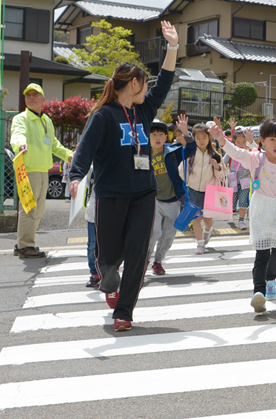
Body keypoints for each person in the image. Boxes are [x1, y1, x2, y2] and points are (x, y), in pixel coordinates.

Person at [68, 20, 179, 332]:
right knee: (109, 253)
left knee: (138, 252)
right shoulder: (103, 115)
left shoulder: (143, 112)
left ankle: (124, 312)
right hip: (110, 193)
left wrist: (173, 47)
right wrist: (76, 176)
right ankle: (108, 278)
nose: (148, 87)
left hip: (144, 193)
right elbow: (85, 150)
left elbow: (166, 81)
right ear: (133, 83)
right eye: (144, 82)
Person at [211, 118, 276, 313]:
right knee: (262, 253)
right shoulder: (256, 158)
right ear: (262, 140)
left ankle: (271, 279)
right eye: (272, 139)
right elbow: (235, 152)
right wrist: (220, 138)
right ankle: (259, 292)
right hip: (262, 209)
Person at [10, 83, 74, 258]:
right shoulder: (22, 118)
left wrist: (68, 155)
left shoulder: (46, 120)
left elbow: (53, 144)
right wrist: (20, 144)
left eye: (35, 94)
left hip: (43, 171)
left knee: (38, 211)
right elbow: (17, 134)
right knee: (29, 209)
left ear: (43, 98)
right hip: (28, 169)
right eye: (28, 95)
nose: (31, 97)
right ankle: (25, 246)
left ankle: (24, 244)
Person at [148, 115, 196, 275]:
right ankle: (144, 259)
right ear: (148, 136)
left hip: (173, 200)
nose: (157, 137)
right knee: (154, 232)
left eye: (161, 134)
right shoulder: (142, 154)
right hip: (152, 200)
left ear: (166, 136)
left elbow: (190, 149)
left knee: (168, 235)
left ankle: (158, 261)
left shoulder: (173, 151)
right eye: (153, 134)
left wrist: (185, 132)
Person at [183, 122, 227, 254]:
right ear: (194, 139)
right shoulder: (190, 153)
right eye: (198, 138)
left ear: (209, 138)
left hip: (210, 191)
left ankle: (207, 231)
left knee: (208, 220)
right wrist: (183, 182)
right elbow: (182, 169)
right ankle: (200, 243)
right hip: (193, 189)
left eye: (204, 137)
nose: (201, 141)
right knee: (196, 218)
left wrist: (217, 166)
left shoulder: (214, 154)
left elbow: (222, 173)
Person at [223, 123, 255, 230]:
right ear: (234, 142)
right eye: (238, 142)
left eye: (243, 142)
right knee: (232, 201)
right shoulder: (231, 152)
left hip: (245, 181)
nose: (241, 144)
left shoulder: (249, 152)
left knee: (243, 201)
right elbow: (223, 163)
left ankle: (241, 220)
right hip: (232, 180)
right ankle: (230, 214)